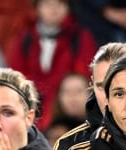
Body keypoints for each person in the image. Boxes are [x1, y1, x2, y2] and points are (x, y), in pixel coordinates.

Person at [7, 0, 97, 130]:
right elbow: (15, 79)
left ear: (68, 8)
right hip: (32, 117)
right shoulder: (25, 39)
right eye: (47, 4)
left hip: (69, 116)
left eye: (60, 4)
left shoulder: (80, 38)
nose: (53, 9)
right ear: (37, 8)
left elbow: (86, 76)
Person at [53, 42, 126, 150]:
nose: (109, 96)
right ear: (92, 86)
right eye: (101, 86)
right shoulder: (69, 147)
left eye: (118, 86)